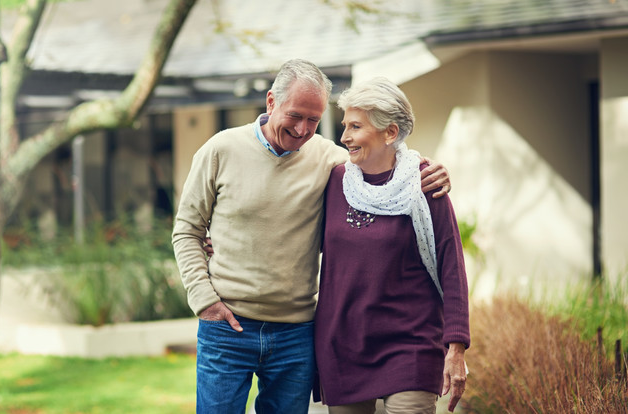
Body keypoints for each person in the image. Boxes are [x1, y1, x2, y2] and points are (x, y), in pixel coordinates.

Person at [171, 59, 452, 414]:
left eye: (314, 120)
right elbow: (187, 230)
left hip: (294, 332)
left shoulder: (331, 161)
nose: (304, 129)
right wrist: (205, 301)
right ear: (271, 102)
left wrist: (428, 169)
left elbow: (383, 157)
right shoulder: (219, 150)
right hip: (227, 327)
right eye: (295, 115)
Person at [313, 77, 470, 414]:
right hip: (343, 346)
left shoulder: (425, 183)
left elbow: (452, 266)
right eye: (344, 126)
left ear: (390, 133)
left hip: (409, 346)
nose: (344, 137)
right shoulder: (334, 181)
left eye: (355, 126)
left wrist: (456, 348)